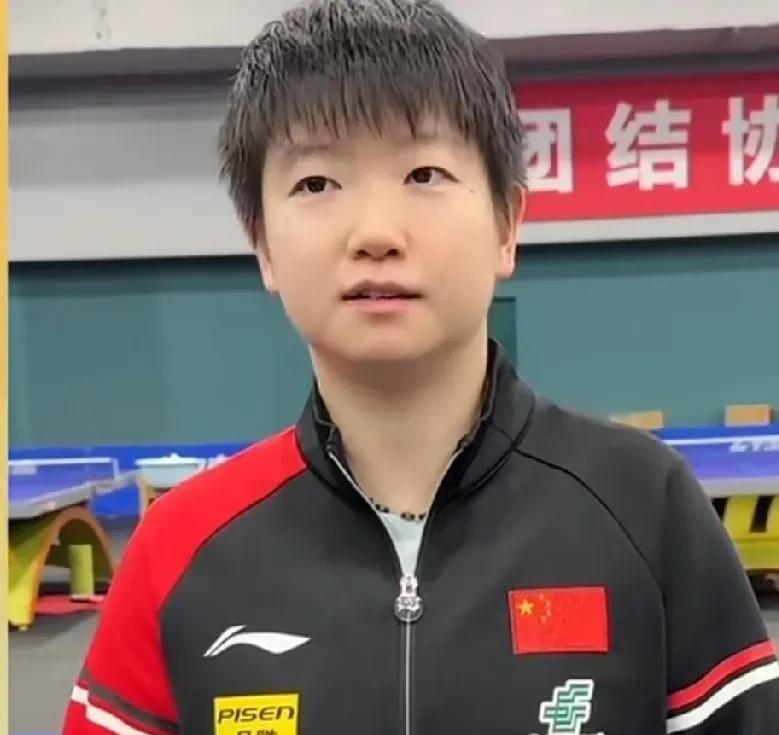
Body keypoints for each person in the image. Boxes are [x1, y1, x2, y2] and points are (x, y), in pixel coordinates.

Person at [64, 1, 778, 734]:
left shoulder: (646, 509)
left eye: (424, 173)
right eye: (317, 183)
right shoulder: (177, 548)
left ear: (507, 226)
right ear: (263, 246)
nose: (375, 233)